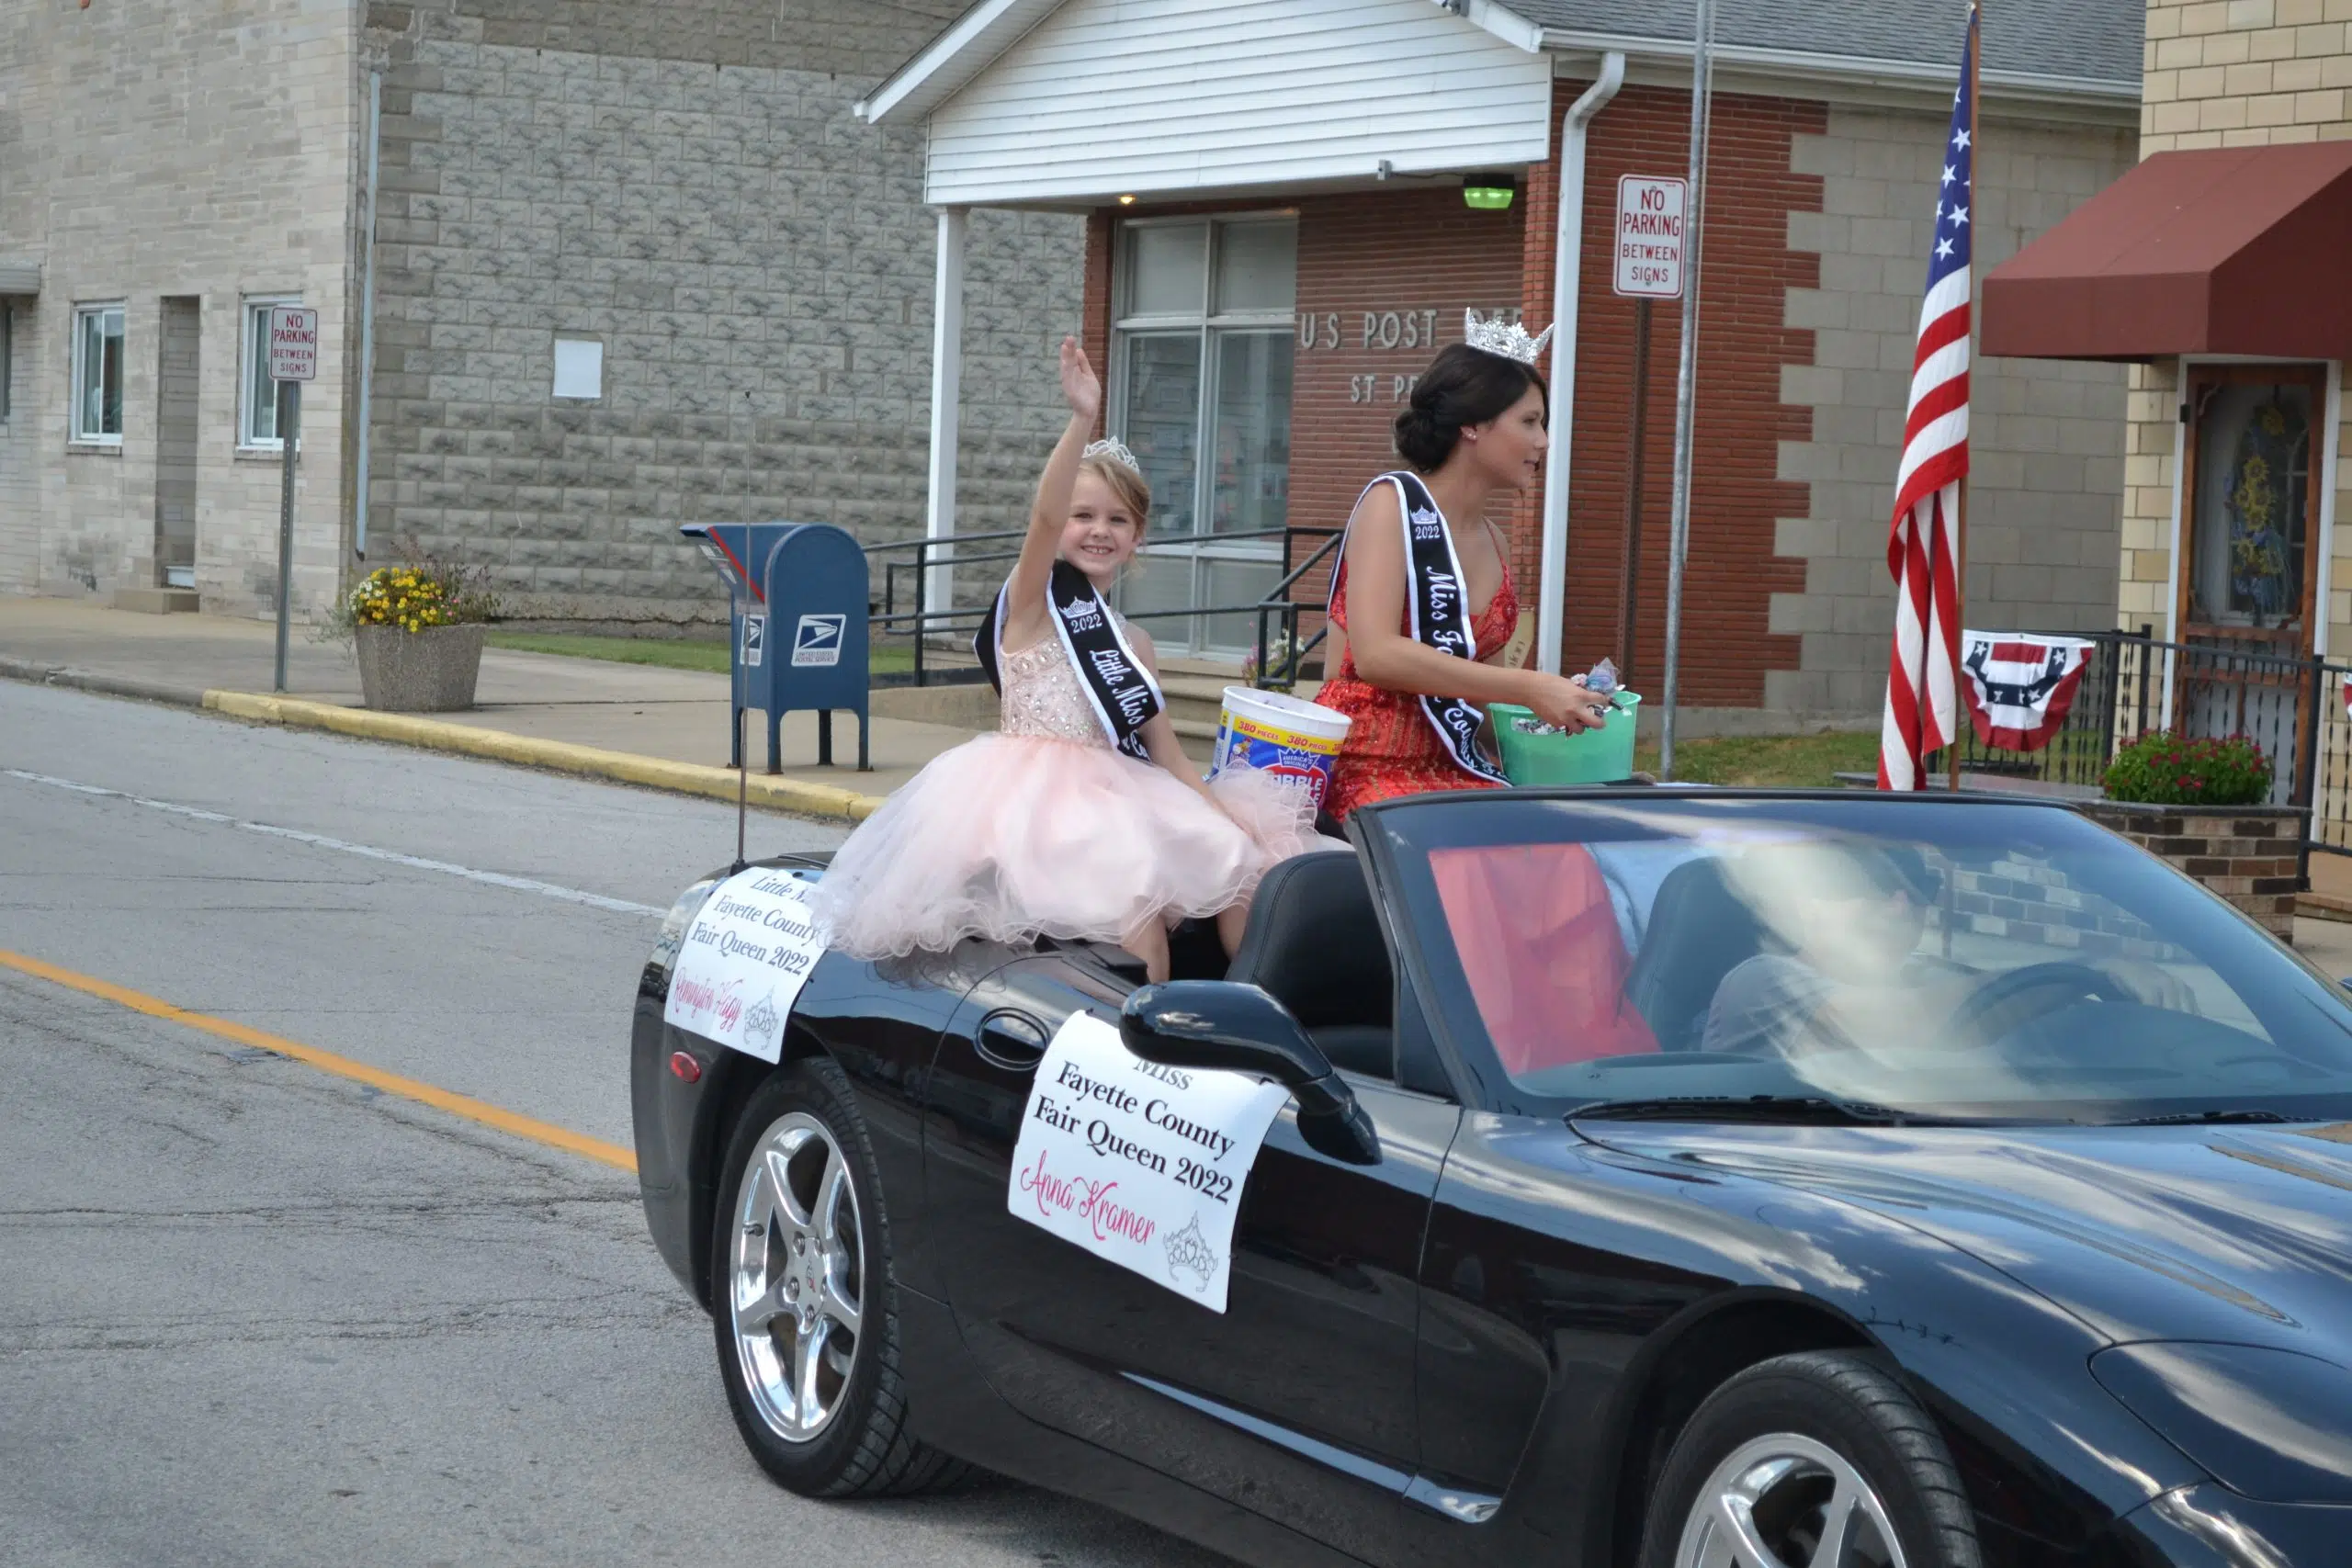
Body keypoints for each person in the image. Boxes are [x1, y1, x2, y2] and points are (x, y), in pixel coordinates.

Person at [813, 337, 1324, 983]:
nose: (1098, 529)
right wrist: (1081, 419)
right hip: (1031, 804)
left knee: (1248, 874)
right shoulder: (1032, 604)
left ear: (1138, 538)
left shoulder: (1134, 643)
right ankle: (1137, 1054)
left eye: (1117, 519)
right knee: (1139, 923)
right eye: (1083, 515)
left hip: (1119, 794)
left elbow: (1164, 751)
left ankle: (1252, 1015)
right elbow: (1042, 514)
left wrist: (1228, 822)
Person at [1317, 316, 1612, 820]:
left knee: (1568, 843)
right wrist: (1532, 686)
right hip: (1367, 765)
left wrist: (1575, 731)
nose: (1543, 441)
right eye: (1529, 421)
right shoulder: (1393, 506)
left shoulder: (1495, 541)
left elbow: (1481, 699)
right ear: (1472, 425)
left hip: (1457, 765)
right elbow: (1375, 656)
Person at [1702, 842, 2194, 1059]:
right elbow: (1895, 1024)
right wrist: (2084, 970)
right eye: (1869, 882)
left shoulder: (1934, 975)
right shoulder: (1762, 980)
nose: (1900, 905)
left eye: (1918, 886)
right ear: (1803, 905)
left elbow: (2038, 1022)